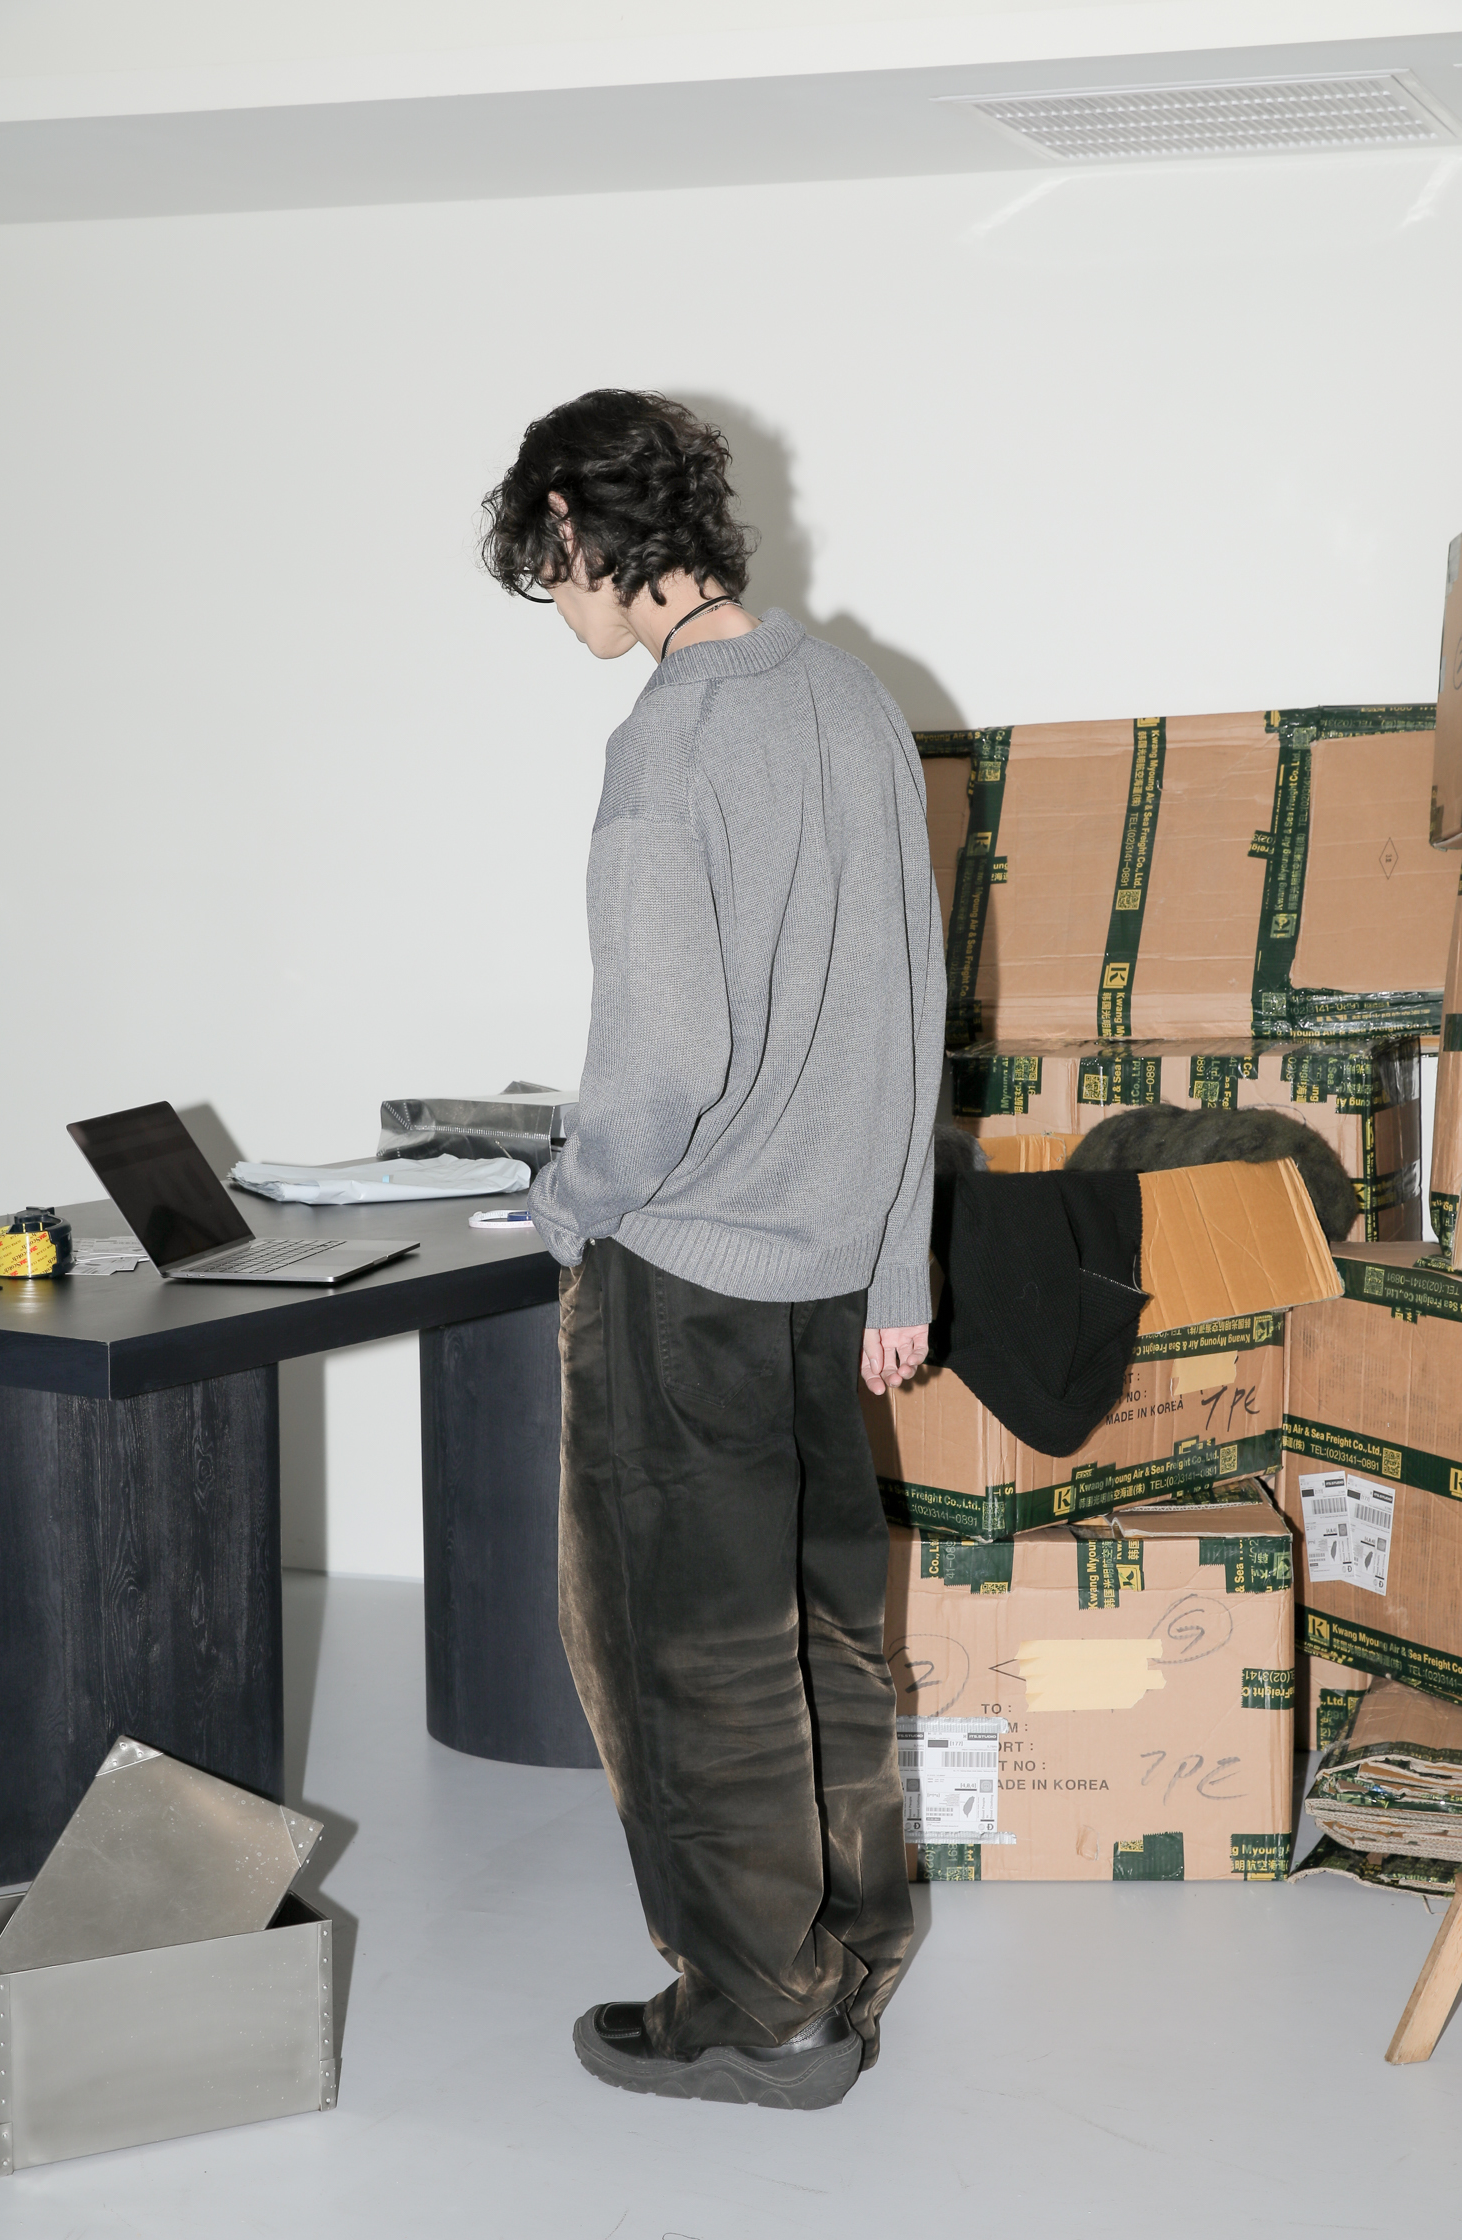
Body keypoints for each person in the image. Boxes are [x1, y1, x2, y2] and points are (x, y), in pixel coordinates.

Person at [480, 391, 944, 2110]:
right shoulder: (852, 697)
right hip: (824, 1275)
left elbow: (663, 1061)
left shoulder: (668, 744)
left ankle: (757, 2010)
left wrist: (567, 1202)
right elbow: (916, 1003)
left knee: (685, 1663)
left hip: (683, 1277)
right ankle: (852, 1949)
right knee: (822, 1636)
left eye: (550, 578)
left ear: (574, 528)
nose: (563, 613)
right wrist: (896, 1266)